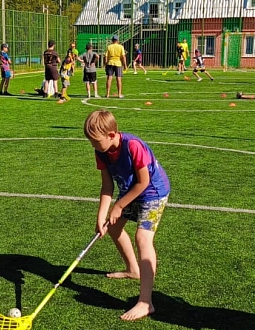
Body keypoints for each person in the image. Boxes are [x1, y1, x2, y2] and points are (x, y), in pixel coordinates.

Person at [84, 109, 170, 321]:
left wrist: (119, 206)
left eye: (96, 141)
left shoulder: (133, 146)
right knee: (113, 227)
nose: (94, 146)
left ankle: (145, 302)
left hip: (153, 193)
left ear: (112, 135)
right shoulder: (101, 152)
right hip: (130, 192)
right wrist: (101, 215)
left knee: (143, 238)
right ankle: (133, 269)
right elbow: (107, 186)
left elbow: (143, 182)